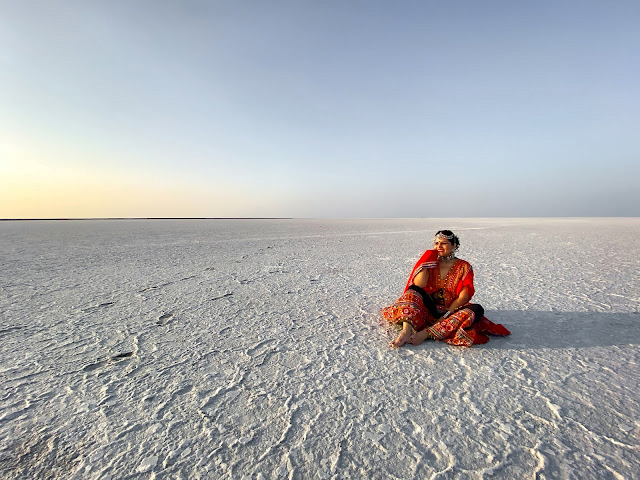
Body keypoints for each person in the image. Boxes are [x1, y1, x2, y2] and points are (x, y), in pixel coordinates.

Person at [382, 230, 510, 348]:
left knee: (476, 310)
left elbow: (463, 297)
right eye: (436, 243)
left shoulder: (464, 266)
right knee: (412, 291)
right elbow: (419, 284)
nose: (439, 246)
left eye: (444, 243)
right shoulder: (432, 263)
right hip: (429, 308)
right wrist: (427, 260)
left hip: (452, 310)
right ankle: (406, 329)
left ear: (454, 246)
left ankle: (426, 333)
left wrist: (446, 315)